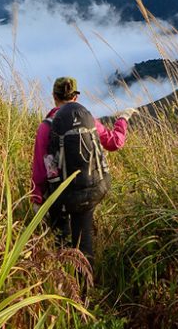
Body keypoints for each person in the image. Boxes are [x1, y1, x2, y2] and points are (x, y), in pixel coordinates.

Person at [30, 76, 135, 269]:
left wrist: (37, 198)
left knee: (59, 241)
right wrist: (122, 120)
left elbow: (40, 168)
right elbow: (115, 142)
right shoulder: (90, 121)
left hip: (60, 196)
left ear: (54, 96)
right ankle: (85, 289)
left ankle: (61, 285)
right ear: (75, 97)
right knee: (84, 242)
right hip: (90, 190)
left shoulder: (46, 127)